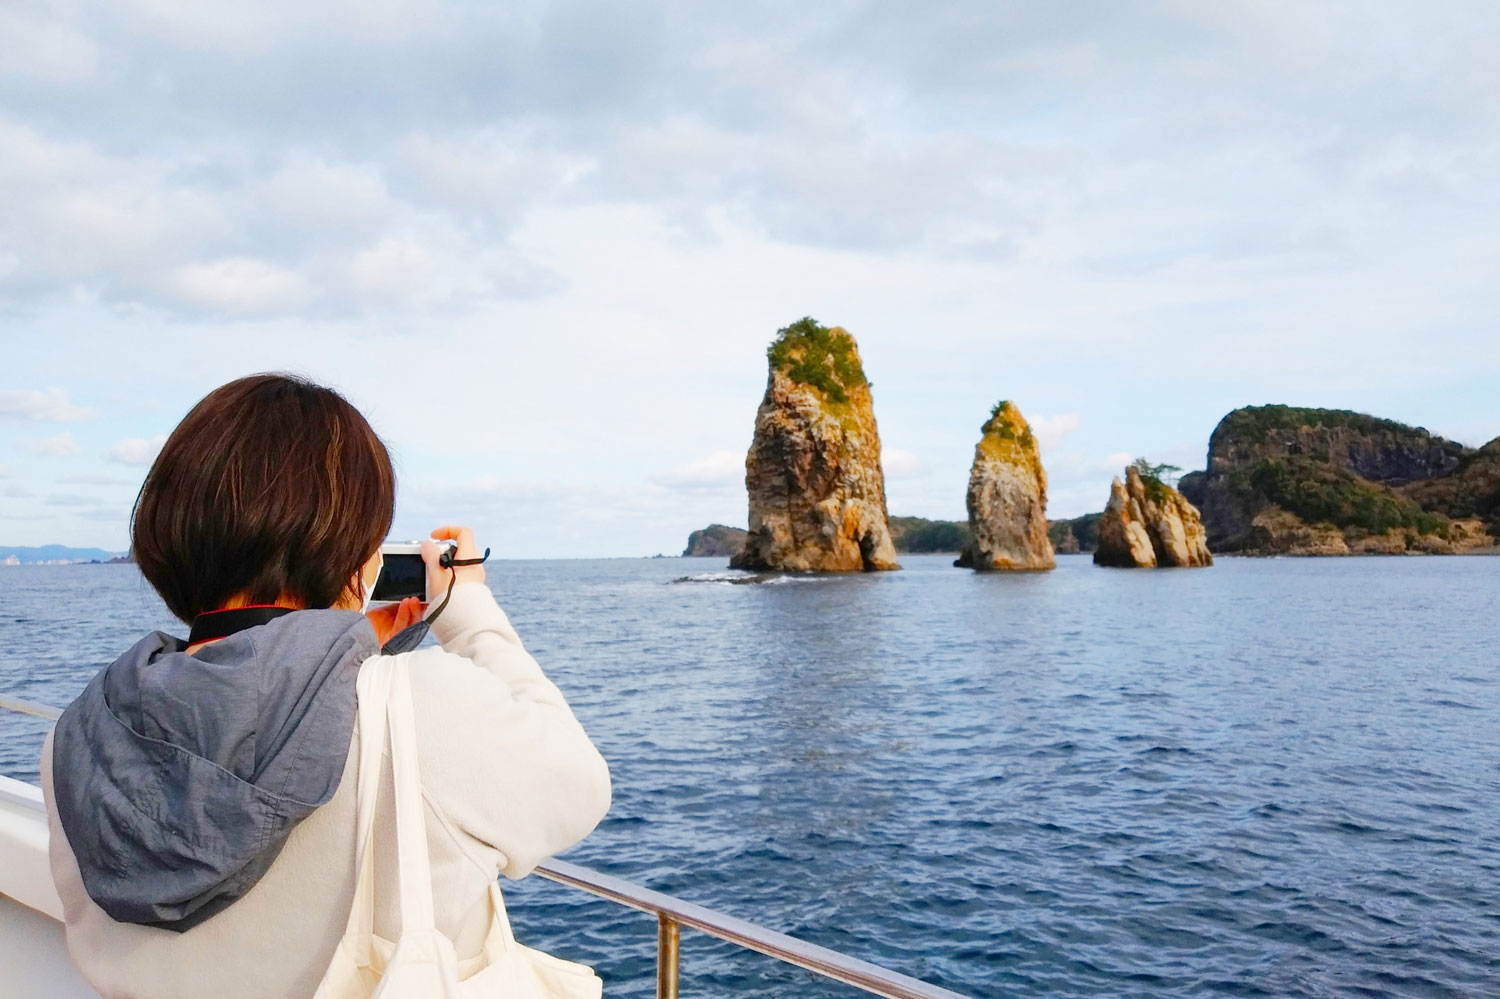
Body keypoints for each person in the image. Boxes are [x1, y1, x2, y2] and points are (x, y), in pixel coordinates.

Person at [39, 373, 611, 998]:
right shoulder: (427, 705)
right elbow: (579, 788)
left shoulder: (79, 734)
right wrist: (469, 609)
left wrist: (354, 641)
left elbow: (264, 689)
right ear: (359, 554)